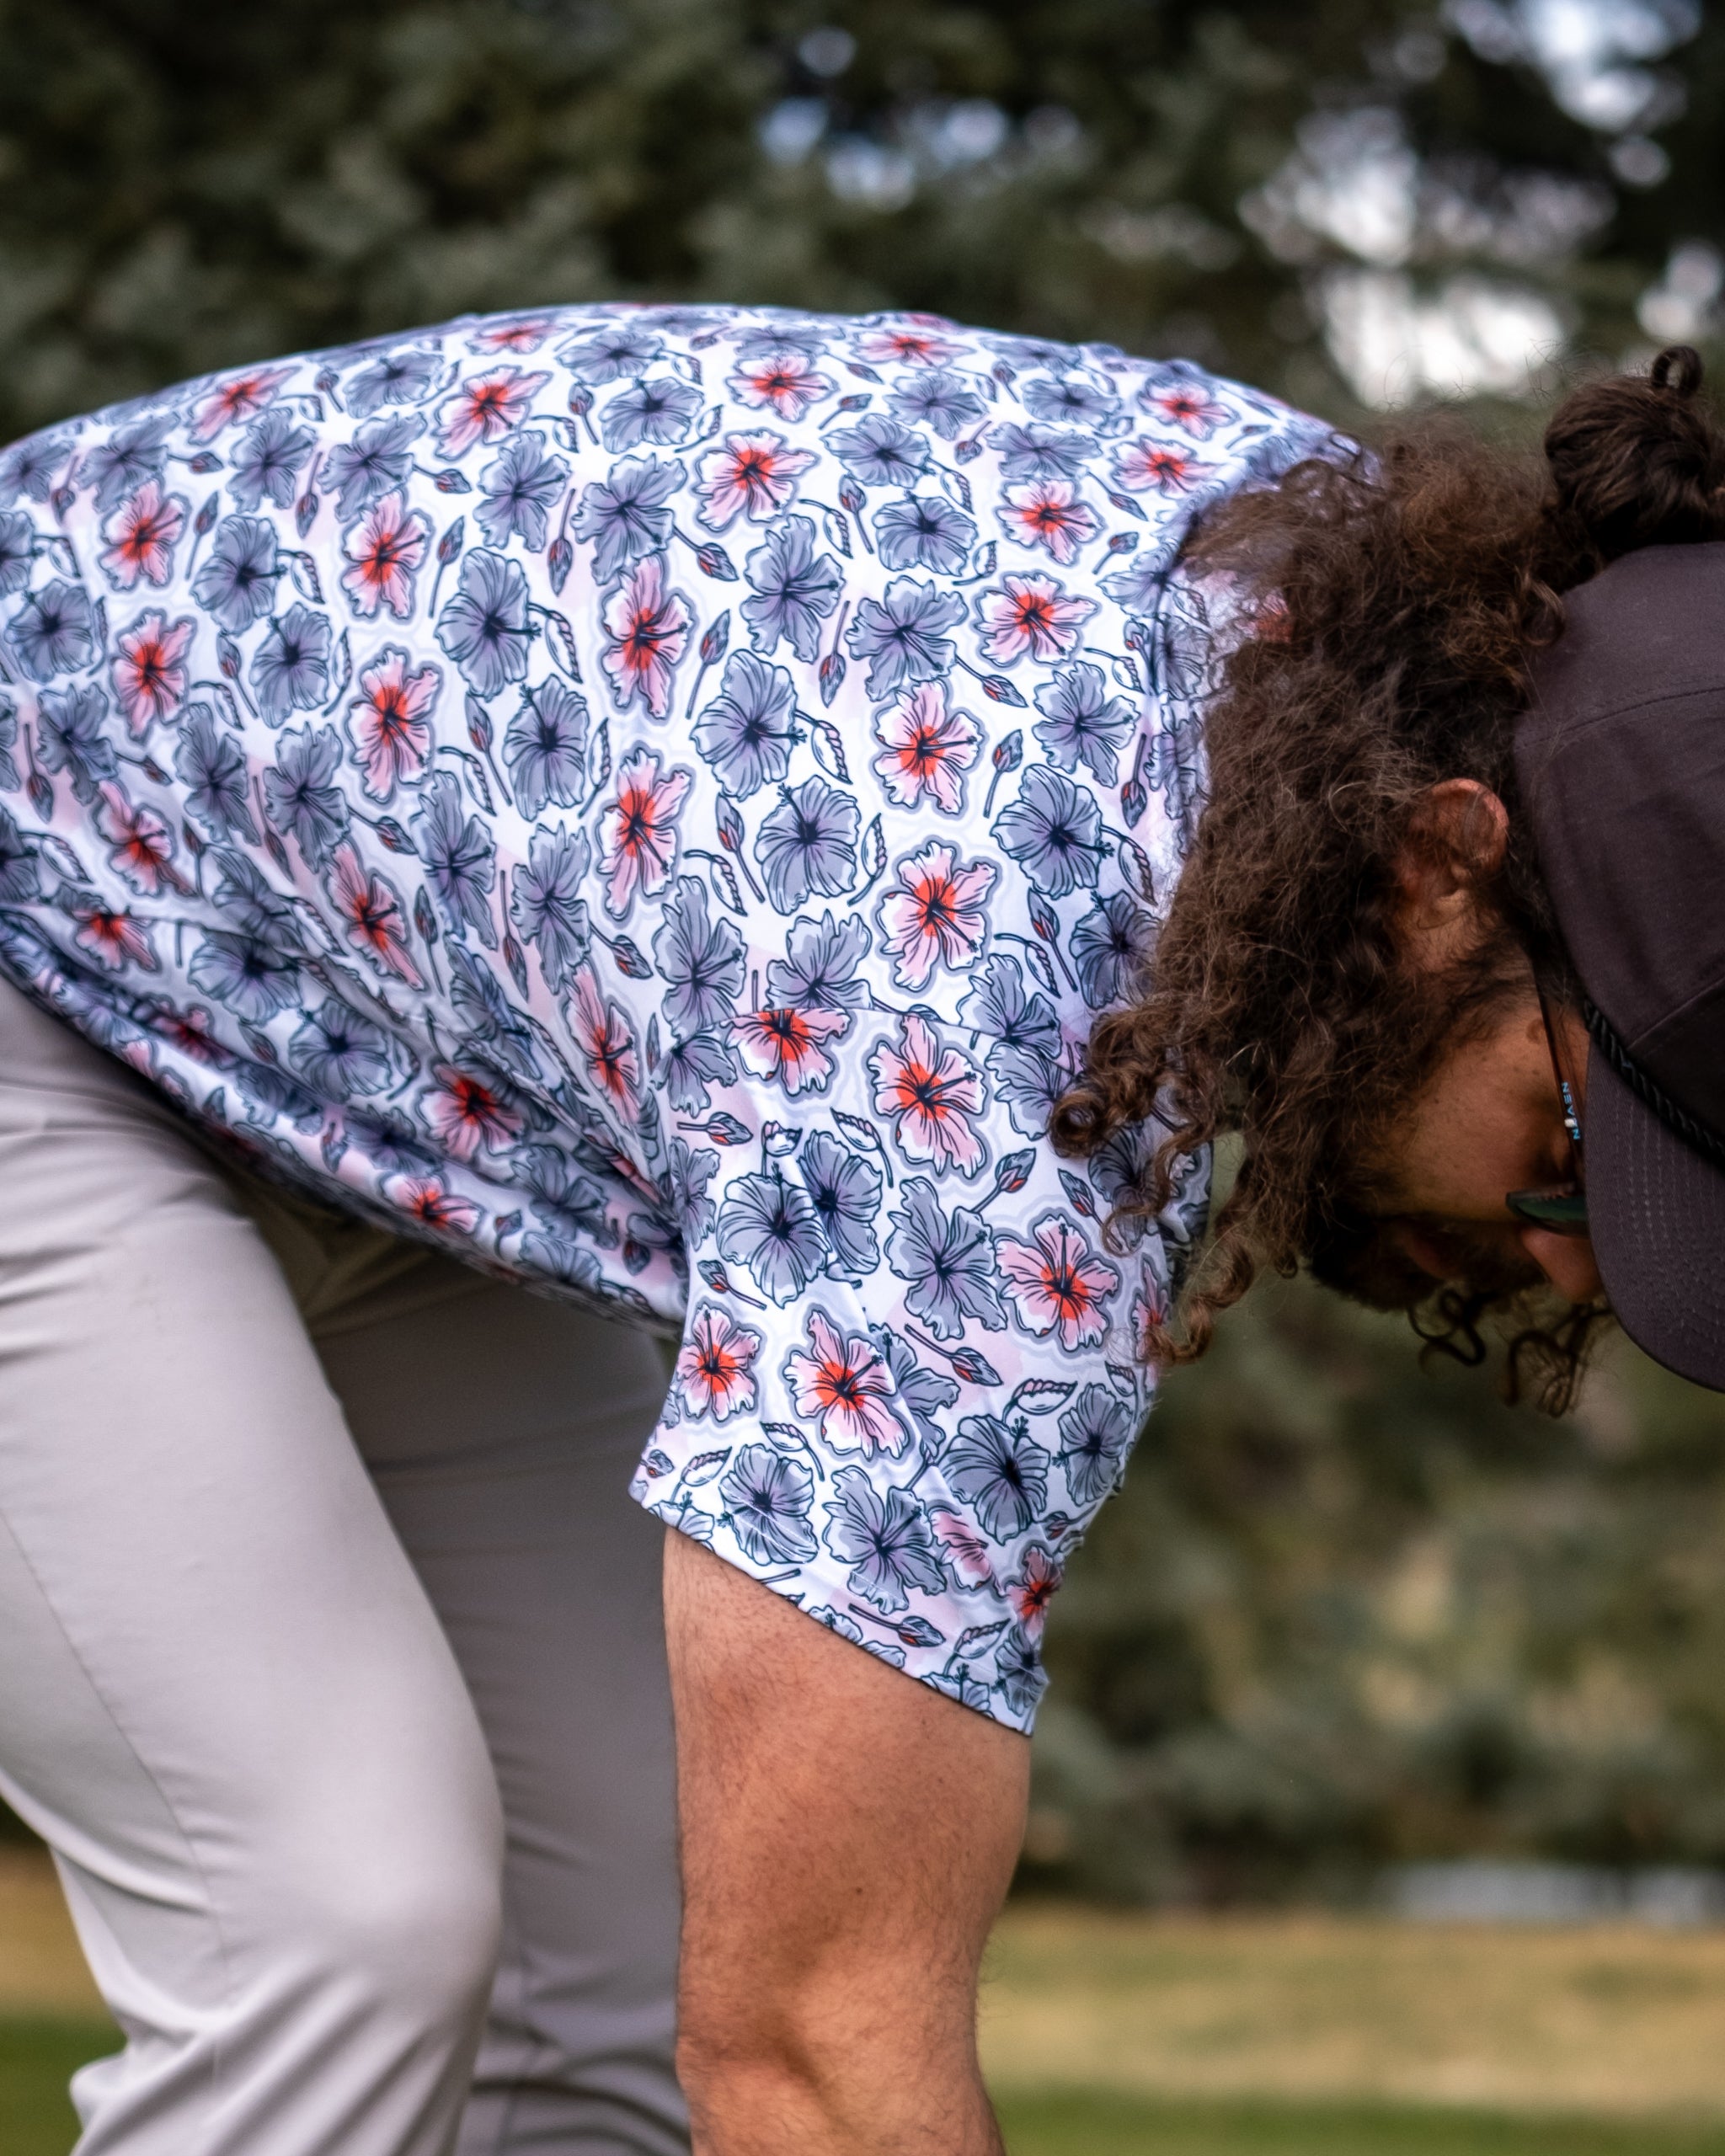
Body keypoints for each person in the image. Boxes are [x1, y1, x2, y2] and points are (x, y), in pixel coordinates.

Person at [0, 300, 1712, 2156]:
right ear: (1436, 875)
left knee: (615, 1938)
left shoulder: (1344, 617)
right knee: (337, 1925)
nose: (1564, 1261)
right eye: (1573, 1151)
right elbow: (813, 2056)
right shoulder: (1001, 1039)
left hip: (323, 1027)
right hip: (45, 930)